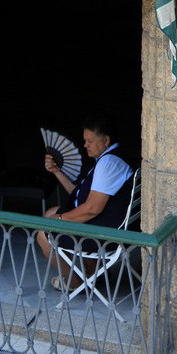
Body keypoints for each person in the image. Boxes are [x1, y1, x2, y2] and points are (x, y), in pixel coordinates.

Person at [36, 114, 134, 291]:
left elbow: (91, 209)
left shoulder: (107, 165)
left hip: (106, 235)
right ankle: (96, 273)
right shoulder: (112, 158)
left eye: (89, 141)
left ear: (106, 140)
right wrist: (56, 171)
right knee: (51, 212)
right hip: (113, 223)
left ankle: (75, 283)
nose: (85, 145)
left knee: (43, 234)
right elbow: (80, 195)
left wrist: (59, 221)